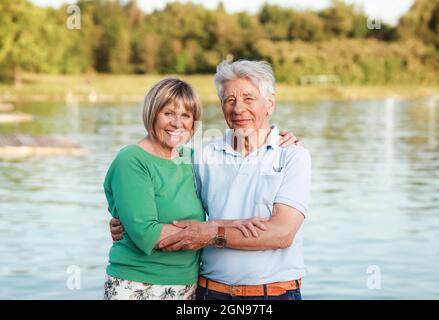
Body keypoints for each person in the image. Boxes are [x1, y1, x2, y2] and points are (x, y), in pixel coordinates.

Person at [103, 77, 297, 300]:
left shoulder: (191, 159)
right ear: (152, 113)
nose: (177, 124)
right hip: (138, 285)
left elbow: (203, 219)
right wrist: (216, 232)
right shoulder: (132, 159)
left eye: (186, 116)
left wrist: (273, 137)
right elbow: (148, 235)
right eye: (168, 113)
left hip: (189, 287)